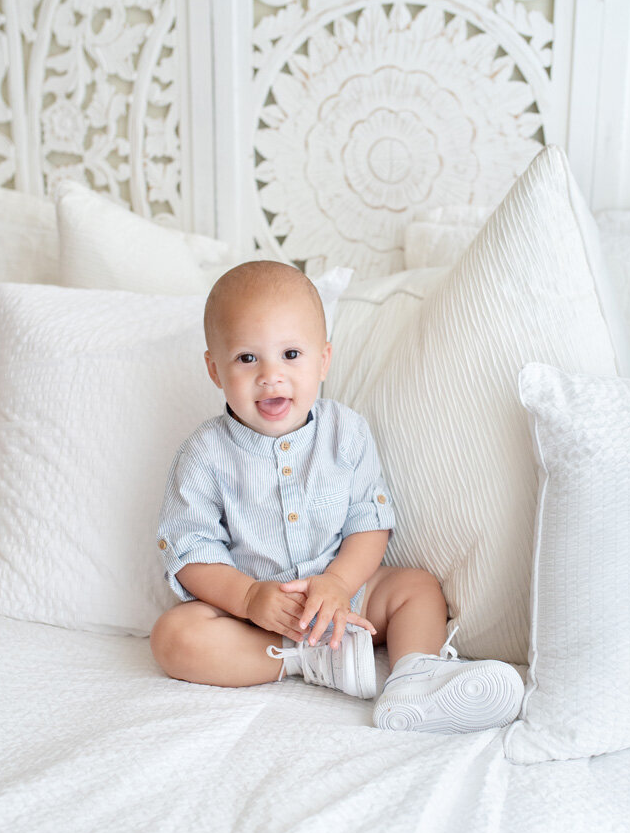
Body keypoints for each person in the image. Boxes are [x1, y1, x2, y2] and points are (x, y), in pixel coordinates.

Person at [150, 260, 523, 732]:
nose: (271, 376)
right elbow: (190, 551)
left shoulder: (344, 432)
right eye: (247, 358)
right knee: (174, 636)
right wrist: (247, 598)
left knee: (418, 589)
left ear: (323, 360)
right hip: (259, 619)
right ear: (214, 368)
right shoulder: (204, 453)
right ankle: (307, 662)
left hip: (346, 595)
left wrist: (340, 583)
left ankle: (415, 678)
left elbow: (370, 521)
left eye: (291, 354)